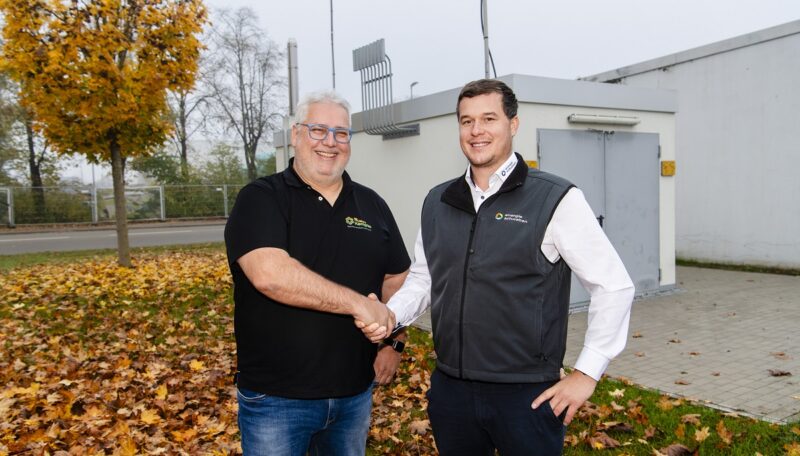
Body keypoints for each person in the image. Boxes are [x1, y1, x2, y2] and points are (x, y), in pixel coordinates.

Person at [364, 79, 634, 455]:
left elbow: (614, 286)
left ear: (513, 124)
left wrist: (587, 373)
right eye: (466, 121)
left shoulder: (556, 198)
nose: (477, 131)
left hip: (526, 395)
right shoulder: (437, 201)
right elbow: (425, 280)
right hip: (452, 390)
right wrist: (390, 315)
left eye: (489, 118)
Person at [225, 90, 410, 456]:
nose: (331, 142)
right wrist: (358, 304)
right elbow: (270, 274)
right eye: (318, 130)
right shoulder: (261, 198)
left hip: (354, 396)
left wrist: (394, 341)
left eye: (341, 133)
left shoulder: (372, 204)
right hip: (277, 401)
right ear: (295, 134)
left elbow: (397, 279)